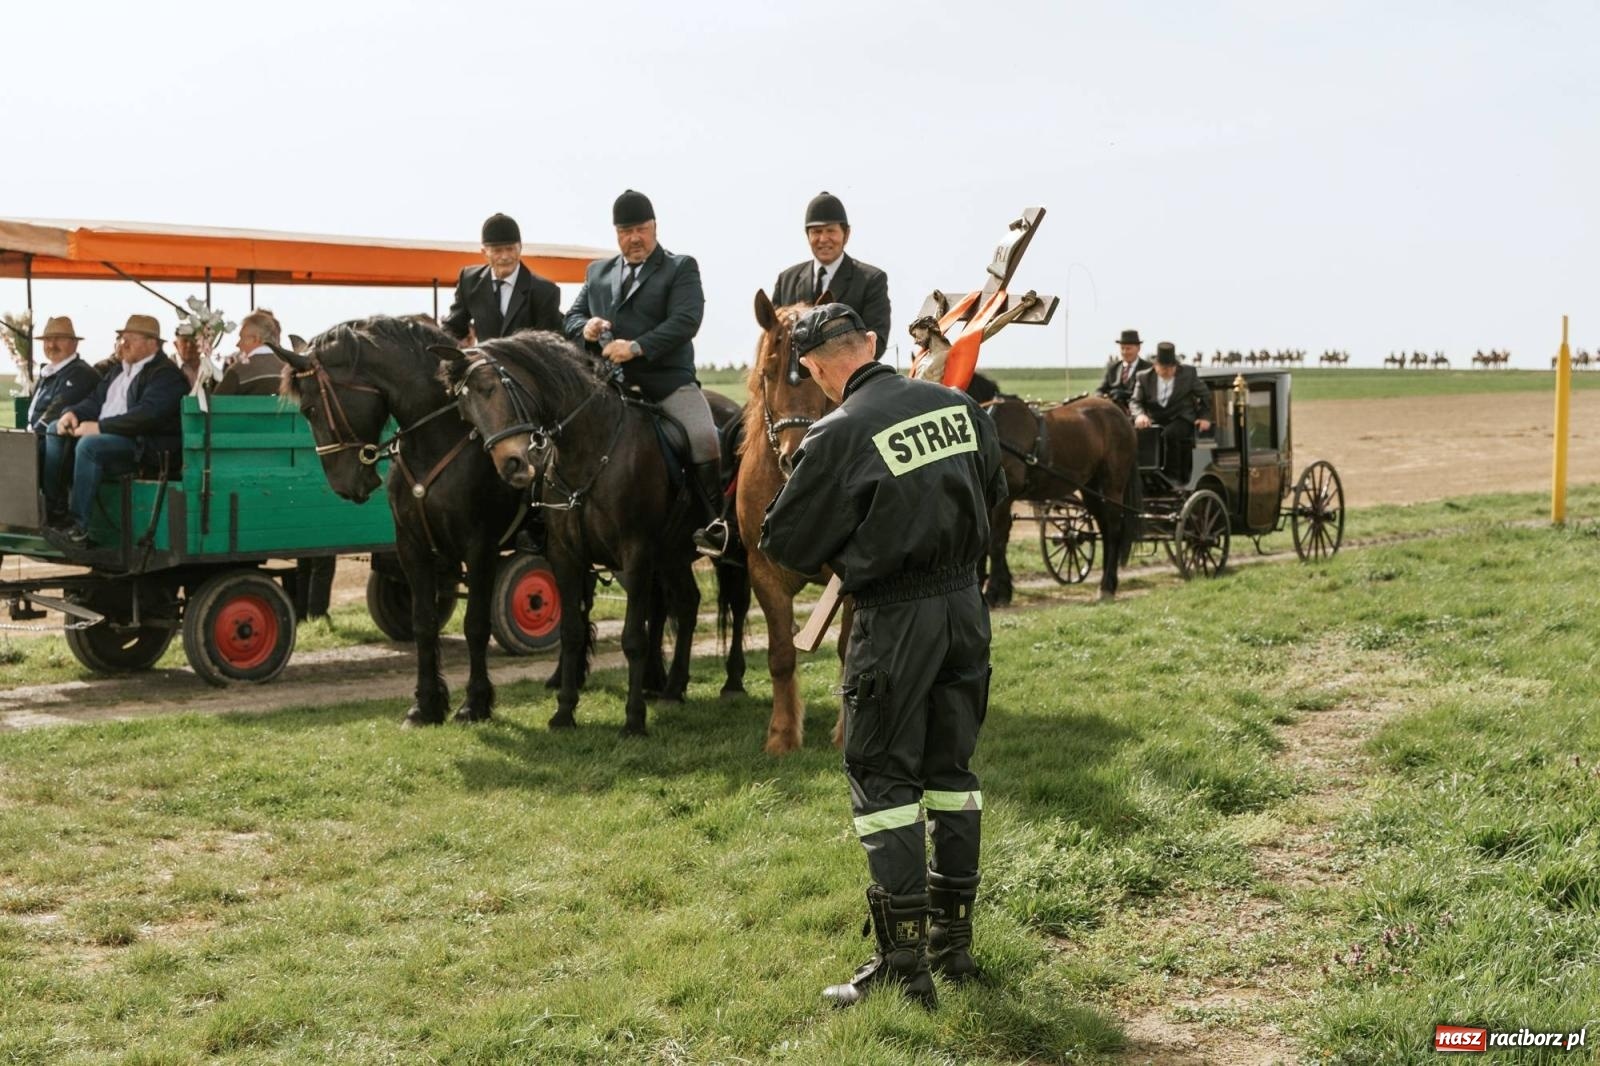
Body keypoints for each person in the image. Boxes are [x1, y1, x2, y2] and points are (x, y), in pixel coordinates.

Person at [758, 304, 1006, 1011]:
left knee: (884, 782)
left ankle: (903, 966)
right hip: (965, 608)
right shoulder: (960, 407)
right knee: (952, 774)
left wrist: (860, 544)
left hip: (896, 619)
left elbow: (787, 548)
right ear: (871, 343)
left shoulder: (836, 434)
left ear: (811, 366)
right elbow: (995, 497)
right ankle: (954, 949)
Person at [563, 190, 726, 556]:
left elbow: (686, 320)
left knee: (704, 436)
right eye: (625, 230)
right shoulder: (597, 272)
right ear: (616, 233)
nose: (634, 238)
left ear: (654, 227)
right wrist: (586, 327)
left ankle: (713, 523)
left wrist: (636, 347)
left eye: (641, 229)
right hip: (610, 386)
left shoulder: (680, 267)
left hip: (667, 383)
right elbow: (569, 318)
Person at [42, 314, 187, 547]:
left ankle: (79, 527)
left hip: (143, 446)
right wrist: (72, 413)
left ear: (152, 343)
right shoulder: (119, 370)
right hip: (113, 438)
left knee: (90, 446)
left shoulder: (165, 375)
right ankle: (56, 514)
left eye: (131, 339)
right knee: (53, 430)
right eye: (122, 338)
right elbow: (95, 400)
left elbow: (146, 416)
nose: (123, 344)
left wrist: (100, 427)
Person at [771, 191, 891, 358]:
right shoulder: (786, 280)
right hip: (794, 381)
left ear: (846, 234)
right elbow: (773, 337)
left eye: (830, 231)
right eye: (816, 231)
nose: (823, 238)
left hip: (848, 381)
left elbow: (877, 342)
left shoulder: (871, 280)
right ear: (807, 235)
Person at [443, 213, 564, 343]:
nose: (505, 256)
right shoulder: (469, 281)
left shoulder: (545, 292)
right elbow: (453, 329)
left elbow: (549, 347)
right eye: (497, 251)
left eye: (510, 249)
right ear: (484, 253)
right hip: (483, 362)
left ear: (520, 248)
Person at [1129, 341, 1212, 484]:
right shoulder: (1143, 377)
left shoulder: (1189, 374)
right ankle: (1144, 478)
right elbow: (1135, 401)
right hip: (1156, 420)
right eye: (1163, 367)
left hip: (1181, 418)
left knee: (1169, 434)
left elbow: (1205, 396)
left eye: (1171, 367)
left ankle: (1173, 478)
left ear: (1176, 366)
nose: (1167, 371)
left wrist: (1203, 417)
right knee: (1138, 435)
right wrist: (1140, 415)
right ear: (1155, 367)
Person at [25, 317, 100, 434]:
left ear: (75, 343)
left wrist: (28, 442)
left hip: (56, 441)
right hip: (34, 437)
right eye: (47, 340)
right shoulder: (48, 373)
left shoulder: (79, 373)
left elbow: (54, 413)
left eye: (59, 339)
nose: (51, 345)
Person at [215, 309, 288, 396]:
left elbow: (216, 405)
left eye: (242, 338)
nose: (238, 344)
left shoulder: (238, 371)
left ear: (255, 339)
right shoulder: (291, 370)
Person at [1095, 328, 1150, 409]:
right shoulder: (1113, 368)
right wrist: (1103, 397)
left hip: (1139, 414)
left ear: (1138, 348)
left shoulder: (1148, 368)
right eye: (1122, 348)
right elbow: (1099, 390)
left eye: (1128, 349)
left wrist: (1127, 395)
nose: (1124, 352)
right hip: (1113, 412)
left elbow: (1150, 395)